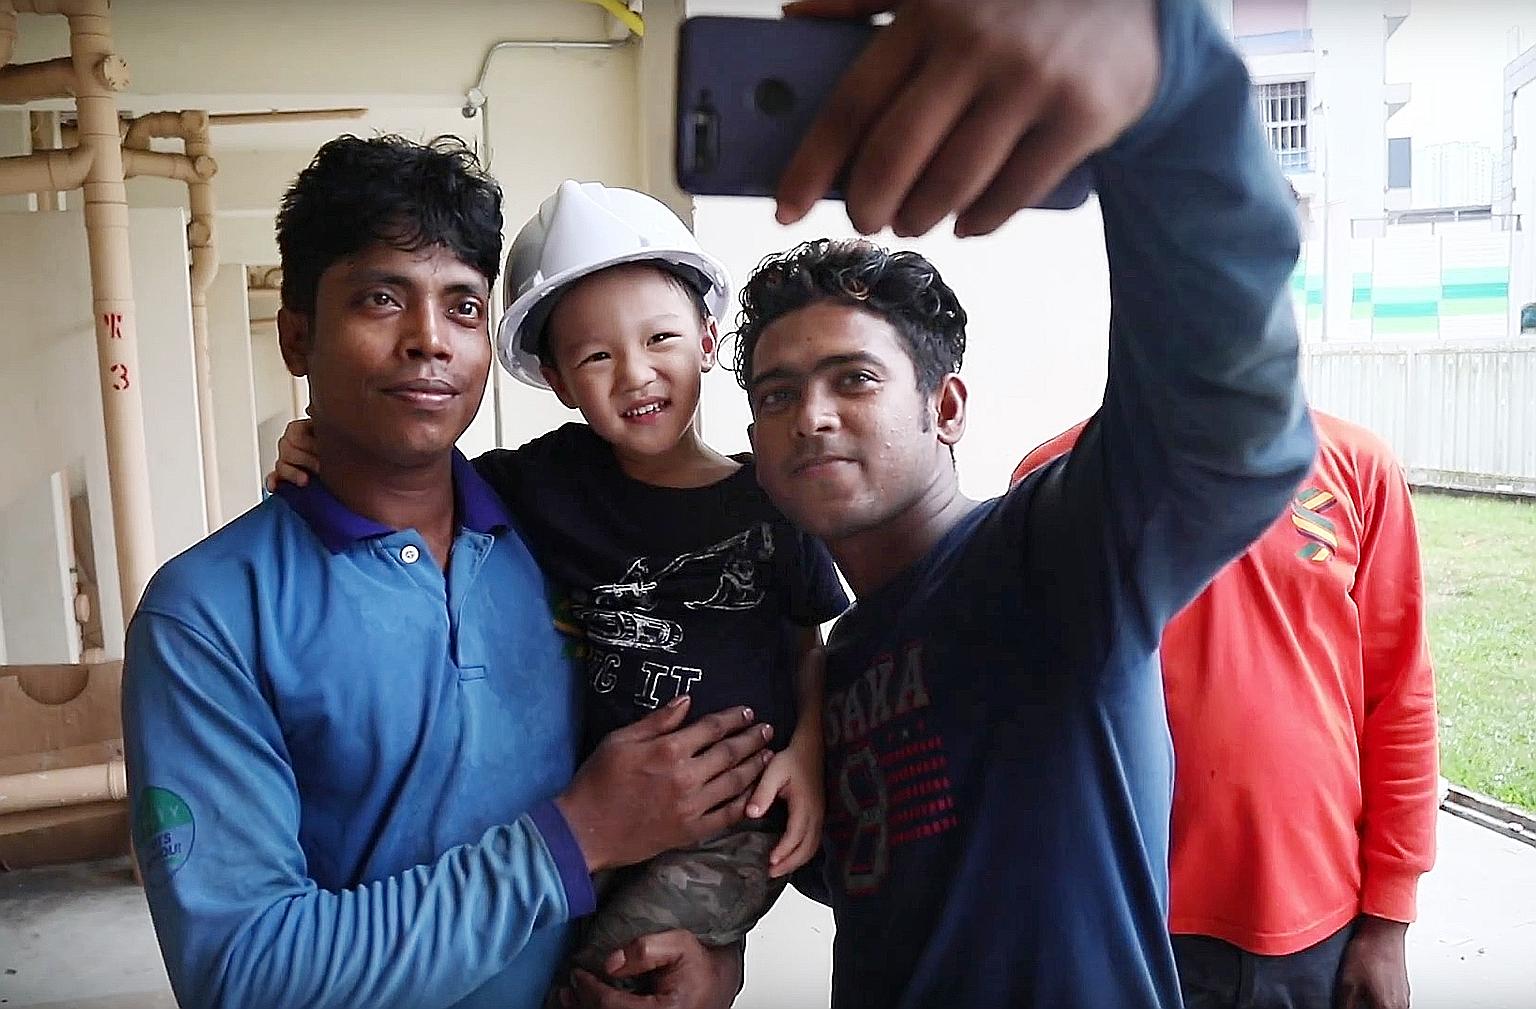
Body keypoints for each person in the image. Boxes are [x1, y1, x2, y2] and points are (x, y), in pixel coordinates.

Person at [581, 0, 1319, 1005]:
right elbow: (889, 899)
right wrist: (720, 959)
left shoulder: (1053, 555)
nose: (813, 417)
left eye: (854, 379)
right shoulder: (832, 667)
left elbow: (1229, 424)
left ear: (947, 405)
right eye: (778, 394)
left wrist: (1165, 68)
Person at [122, 135, 770, 1009]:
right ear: (297, 334)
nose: (429, 340)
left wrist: (705, 952)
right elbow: (246, 976)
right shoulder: (209, 616)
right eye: (382, 298)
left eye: (463, 306)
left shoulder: (565, 544)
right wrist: (574, 837)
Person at [268, 180, 848, 994]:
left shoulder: (772, 500)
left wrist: (809, 756)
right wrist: (318, 442)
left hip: (736, 814)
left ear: (710, 339)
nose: (636, 374)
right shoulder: (547, 483)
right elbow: (414, 476)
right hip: (600, 801)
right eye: (598, 356)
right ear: (560, 380)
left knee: (603, 972)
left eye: (661, 340)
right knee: (530, 940)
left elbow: (812, 640)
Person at [1013, 409, 1438, 1009]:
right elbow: (1028, 721)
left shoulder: (1357, 464)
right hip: (1125, 918)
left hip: (1317, 922)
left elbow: (1400, 696)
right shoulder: (1055, 478)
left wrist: (1389, 919)